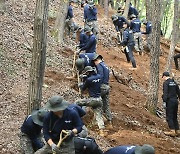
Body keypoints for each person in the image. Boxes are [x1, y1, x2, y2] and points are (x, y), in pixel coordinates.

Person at [75, 66, 107, 137]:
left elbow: (83, 87)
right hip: (99, 99)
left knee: (77, 102)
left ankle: (77, 118)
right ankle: (101, 131)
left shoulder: (89, 79)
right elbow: (93, 81)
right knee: (98, 115)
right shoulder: (99, 76)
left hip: (92, 99)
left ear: (88, 72)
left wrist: (81, 84)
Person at [92, 54, 113, 129]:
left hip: (101, 87)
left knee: (97, 104)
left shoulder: (99, 66)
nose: (94, 64)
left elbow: (100, 76)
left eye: (94, 62)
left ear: (96, 60)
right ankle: (110, 122)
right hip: (107, 86)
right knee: (106, 105)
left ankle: (99, 124)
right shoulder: (106, 66)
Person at [162, 72, 180, 137]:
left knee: (169, 116)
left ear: (164, 76)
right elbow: (178, 92)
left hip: (170, 102)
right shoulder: (174, 82)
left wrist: (164, 101)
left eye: (163, 78)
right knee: (174, 116)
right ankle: (177, 130)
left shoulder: (166, 83)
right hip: (175, 101)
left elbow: (165, 93)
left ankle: (172, 131)